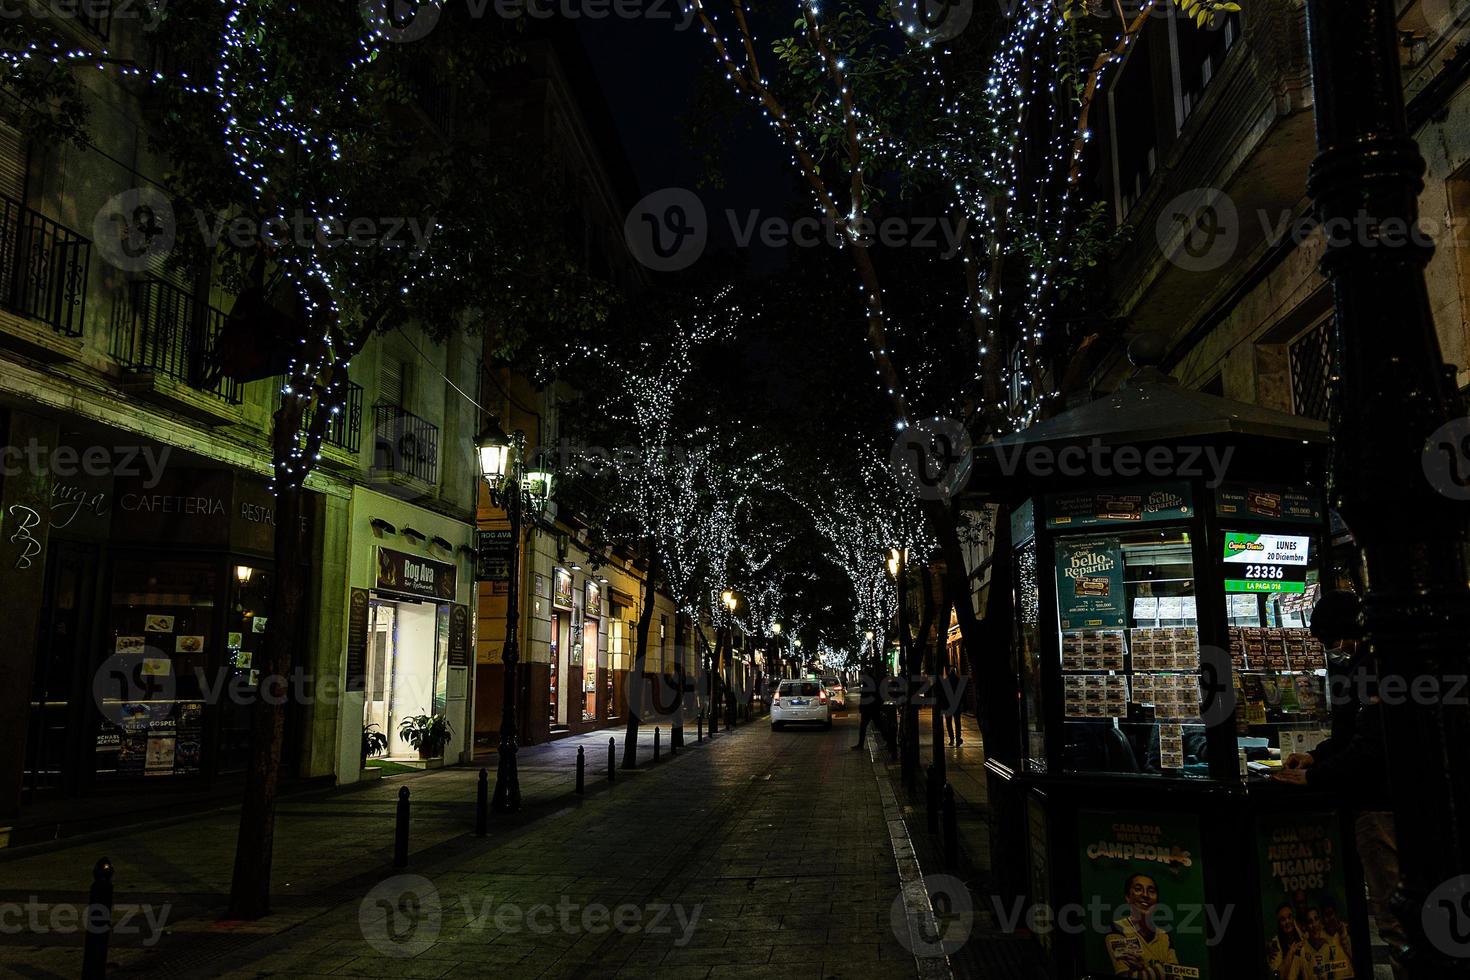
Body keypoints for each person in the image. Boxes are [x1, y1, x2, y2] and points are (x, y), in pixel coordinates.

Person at [1273, 590, 1401, 979]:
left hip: (1379, 805)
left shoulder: (1373, 667)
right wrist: (1317, 755)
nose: (1331, 650)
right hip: (1382, 800)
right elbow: (1351, 736)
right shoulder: (1368, 663)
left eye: (1330, 641)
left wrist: (1313, 775)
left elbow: (1369, 745)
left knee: (1393, 912)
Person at [1104, 873, 1180, 978]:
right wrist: (1161, 969)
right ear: (1128, 897)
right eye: (1138, 889)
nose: (1145, 895)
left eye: (1151, 891)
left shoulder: (1164, 936)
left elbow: (1177, 976)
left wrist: (1143, 968)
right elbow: (1125, 975)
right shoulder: (1118, 928)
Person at [1288, 907, 1354, 980]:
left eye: (1316, 919)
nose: (1314, 925)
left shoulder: (1327, 947)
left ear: (1320, 922)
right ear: (1306, 926)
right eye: (1310, 922)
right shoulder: (1301, 950)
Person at [1267, 902, 1305, 980]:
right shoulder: (1275, 945)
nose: (1287, 922)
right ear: (1279, 924)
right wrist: (1291, 952)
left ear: (1293, 919)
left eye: (1289, 917)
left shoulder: (1302, 936)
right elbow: (1278, 976)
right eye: (1283, 919)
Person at [853, 659, 880, 750]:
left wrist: (862, 706)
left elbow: (866, 695)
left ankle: (860, 745)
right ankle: (889, 741)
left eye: (864, 672)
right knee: (876, 725)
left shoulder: (869, 681)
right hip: (872, 707)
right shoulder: (872, 680)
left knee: (866, 726)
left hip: (869, 707)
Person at [942, 663, 963, 746]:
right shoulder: (959, 680)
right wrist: (963, 704)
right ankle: (958, 739)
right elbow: (962, 694)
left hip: (947, 706)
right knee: (957, 723)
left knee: (949, 723)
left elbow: (943, 695)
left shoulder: (946, 681)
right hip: (957, 705)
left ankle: (951, 739)